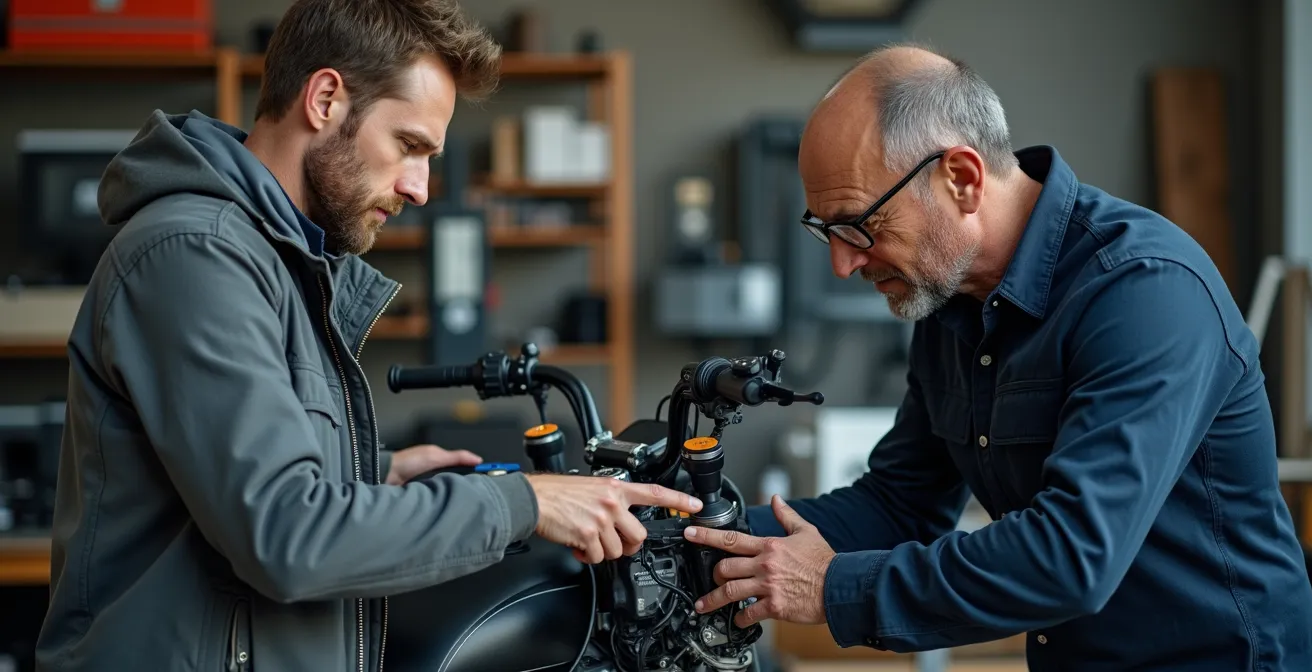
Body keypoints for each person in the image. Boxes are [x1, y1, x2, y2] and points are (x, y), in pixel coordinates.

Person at [35, 1, 699, 670]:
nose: (419, 188)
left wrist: (374, 473)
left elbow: (232, 471)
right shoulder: (193, 255)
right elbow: (287, 535)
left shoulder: (281, 265)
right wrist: (522, 503)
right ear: (325, 99)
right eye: (409, 145)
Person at [684, 43, 1312, 671]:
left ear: (961, 178)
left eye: (858, 225)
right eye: (826, 230)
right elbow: (900, 506)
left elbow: (1070, 559)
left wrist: (830, 586)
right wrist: (692, 534)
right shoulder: (949, 301)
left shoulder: (1144, 291)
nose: (843, 263)